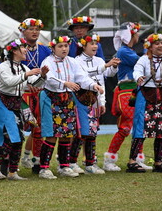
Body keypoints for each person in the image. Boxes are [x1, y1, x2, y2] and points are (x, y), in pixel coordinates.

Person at [38, 36, 103, 179]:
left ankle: (64, 166)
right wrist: (65, 83)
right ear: (53, 48)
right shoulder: (47, 61)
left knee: (66, 134)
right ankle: (44, 168)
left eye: (66, 46)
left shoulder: (72, 61)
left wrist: (94, 85)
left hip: (67, 100)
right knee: (51, 134)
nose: (64, 49)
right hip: (51, 99)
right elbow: (49, 78)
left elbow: (82, 77)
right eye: (60, 46)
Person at [0, 38, 48, 180]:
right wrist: (27, 75)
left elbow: (35, 83)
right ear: (14, 51)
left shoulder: (23, 67)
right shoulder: (4, 67)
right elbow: (9, 82)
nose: (26, 50)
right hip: (3, 104)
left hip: (16, 105)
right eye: (23, 48)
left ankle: (12, 172)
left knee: (19, 139)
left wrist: (43, 76)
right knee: (10, 138)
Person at [126, 33, 162, 173]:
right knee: (140, 128)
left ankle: (158, 163)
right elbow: (136, 71)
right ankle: (132, 162)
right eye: (157, 43)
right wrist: (138, 77)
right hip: (145, 96)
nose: (161, 45)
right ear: (150, 46)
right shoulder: (143, 60)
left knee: (161, 130)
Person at [104, 22, 150, 171]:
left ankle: (137, 158)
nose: (138, 36)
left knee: (139, 125)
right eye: (136, 33)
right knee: (125, 127)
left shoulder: (127, 50)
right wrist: (147, 50)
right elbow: (142, 64)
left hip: (135, 90)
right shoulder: (124, 51)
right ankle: (110, 159)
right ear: (131, 35)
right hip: (126, 91)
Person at [72, 34, 119, 174]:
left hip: (95, 101)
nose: (95, 46)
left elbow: (106, 77)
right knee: (81, 133)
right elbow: (82, 76)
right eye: (91, 43)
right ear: (83, 46)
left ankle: (90, 163)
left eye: (96, 43)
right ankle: (72, 162)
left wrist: (114, 67)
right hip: (80, 101)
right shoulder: (76, 61)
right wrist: (105, 66)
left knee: (92, 133)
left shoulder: (98, 60)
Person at [18, 18, 51, 174]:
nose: (35, 32)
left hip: (40, 94)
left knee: (38, 129)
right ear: (23, 31)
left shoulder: (45, 50)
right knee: (16, 128)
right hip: (21, 94)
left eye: (37, 29)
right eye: (31, 29)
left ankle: (37, 160)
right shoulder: (16, 48)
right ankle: (5, 163)